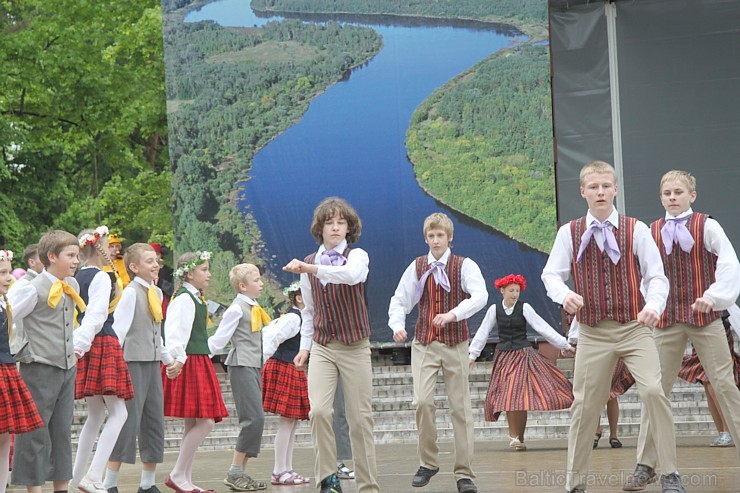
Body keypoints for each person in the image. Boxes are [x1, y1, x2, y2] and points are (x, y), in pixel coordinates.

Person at [541, 161, 682, 493]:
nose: (600, 192)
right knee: (585, 405)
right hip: (592, 332)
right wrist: (565, 295)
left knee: (653, 392)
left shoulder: (636, 229)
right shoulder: (570, 232)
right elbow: (550, 275)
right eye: (593, 187)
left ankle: (670, 474)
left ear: (615, 189)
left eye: (606, 186)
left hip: (634, 327)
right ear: (583, 192)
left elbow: (657, 277)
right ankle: (574, 484)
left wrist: (653, 307)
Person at [625, 170, 740, 491]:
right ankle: (646, 465)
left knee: (725, 385)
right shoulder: (651, 231)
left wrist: (714, 296)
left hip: (705, 316)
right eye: (667, 193)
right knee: (655, 390)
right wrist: (648, 306)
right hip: (666, 319)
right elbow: (642, 273)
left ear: (692, 195)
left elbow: (730, 264)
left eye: (678, 192)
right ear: (661, 197)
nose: (672, 197)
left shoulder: (708, 225)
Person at [283, 197, 379, 493]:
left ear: (349, 228)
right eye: (329, 222)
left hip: (354, 345)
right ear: (320, 228)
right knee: (319, 412)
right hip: (323, 346)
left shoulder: (357, 255)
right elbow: (309, 311)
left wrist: (309, 271)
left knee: (360, 419)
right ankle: (328, 479)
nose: (335, 227)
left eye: (341, 222)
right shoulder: (309, 263)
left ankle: (368, 485)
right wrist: (305, 347)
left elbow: (351, 277)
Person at [388, 212, 487, 493]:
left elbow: (481, 295)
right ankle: (428, 462)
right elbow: (400, 299)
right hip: (425, 343)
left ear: (449, 237)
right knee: (421, 402)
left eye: (440, 235)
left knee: (460, 409)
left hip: (456, 343)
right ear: (426, 238)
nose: (435, 240)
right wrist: (396, 324)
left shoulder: (463, 266)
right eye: (431, 236)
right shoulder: (418, 266)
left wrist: (453, 314)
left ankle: (464, 473)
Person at [9, 230, 86, 493]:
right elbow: (8, 320)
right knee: (35, 431)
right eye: (71, 255)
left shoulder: (71, 286)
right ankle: (34, 489)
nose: (76, 260)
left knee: (62, 432)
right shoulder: (30, 289)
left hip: (66, 368)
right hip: (39, 367)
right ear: (52, 256)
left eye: (77, 255)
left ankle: (61, 488)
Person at [469, 274, 573, 452]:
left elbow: (542, 327)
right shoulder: (494, 310)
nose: (515, 294)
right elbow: (482, 332)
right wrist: (472, 355)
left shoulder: (525, 308)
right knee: (510, 395)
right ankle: (515, 437)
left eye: (517, 290)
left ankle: (518, 437)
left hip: (522, 356)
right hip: (504, 357)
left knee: (517, 396)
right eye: (511, 290)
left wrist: (564, 344)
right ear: (502, 291)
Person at [105, 243, 177, 493]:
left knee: (154, 420)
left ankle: (147, 483)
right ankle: (110, 482)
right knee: (128, 420)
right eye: (149, 261)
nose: (156, 264)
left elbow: (156, 333)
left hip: (153, 362)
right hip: (132, 363)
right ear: (134, 267)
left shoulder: (155, 293)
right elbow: (119, 331)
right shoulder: (131, 293)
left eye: (156, 260)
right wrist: (115, 366)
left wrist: (168, 359)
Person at [72, 227, 134, 493]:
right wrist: (81, 344)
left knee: (96, 414)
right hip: (101, 341)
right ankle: (94, 476)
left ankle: (77, 478)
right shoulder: (100, 277)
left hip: (86, 342)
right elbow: (96, 315)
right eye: (108, 245)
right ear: (98, 248)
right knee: (119, 412)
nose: (112, 250)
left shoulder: (76, 277)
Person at [161, 251, 228, 493]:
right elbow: (175, 330)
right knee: (206, 421)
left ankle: (185, 478)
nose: (208, 274)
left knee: (194, 422)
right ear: (189, 273)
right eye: (204, 270)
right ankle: (178, 473)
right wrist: (178, 358)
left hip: (197, 359)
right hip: (190, 360)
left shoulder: (194, 297)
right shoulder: (184, 299)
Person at [207, 263, 270, 492]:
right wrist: (197, 358)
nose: (261, 283)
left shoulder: (253, 306)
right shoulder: (236, 309)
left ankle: (240, 472)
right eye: (256, 280)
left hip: (253, 365)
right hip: (241, 364)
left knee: (257, 419)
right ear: (242, 286)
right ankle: (235, 471)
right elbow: (219, 339)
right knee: (253, 419)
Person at [0, 249, 44, 493]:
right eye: (3, 273)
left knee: (5, 435)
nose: (9, 278)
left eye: (9, 272)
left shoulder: (4, 303)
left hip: (6, 369)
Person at [261, 281, 311, 486]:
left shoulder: (300, 317)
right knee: (287, 422)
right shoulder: (292, 317)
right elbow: (271, 336)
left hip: (292, 367)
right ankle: (278, 470)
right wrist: (260, 363)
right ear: (299, 297)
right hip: (284, 366)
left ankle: (286, 469)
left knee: (292, 422)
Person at [677, 308, 740, 447]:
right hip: (697, 325)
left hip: (715, 326)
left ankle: (727, 430)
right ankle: (723, 432)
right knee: (707, 380)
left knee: (713, 379)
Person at [569, 319, 633, 450]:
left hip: (617, 344)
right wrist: (572, 340)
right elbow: (579, 318)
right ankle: (596, 431)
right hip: (594, 346)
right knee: (594, 390)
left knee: (611, 392)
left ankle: (613, 434)